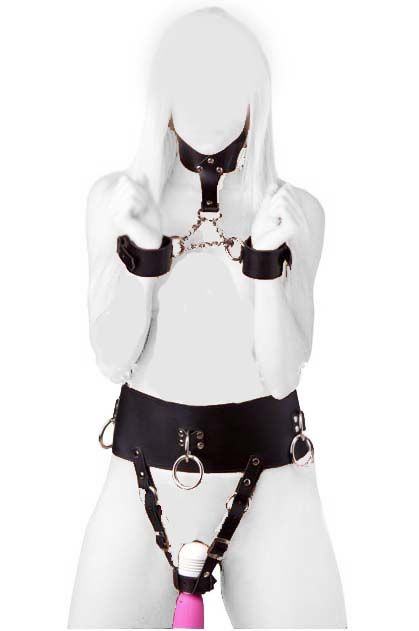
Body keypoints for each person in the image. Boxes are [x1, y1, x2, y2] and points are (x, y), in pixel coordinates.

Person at [69, 8, 346, 628]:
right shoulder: (115, 200)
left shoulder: (295, 211)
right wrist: (143, 254)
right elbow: (112, 357)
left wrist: (266, 266)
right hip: (140, 477)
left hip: (272, 486)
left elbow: (282, 373)